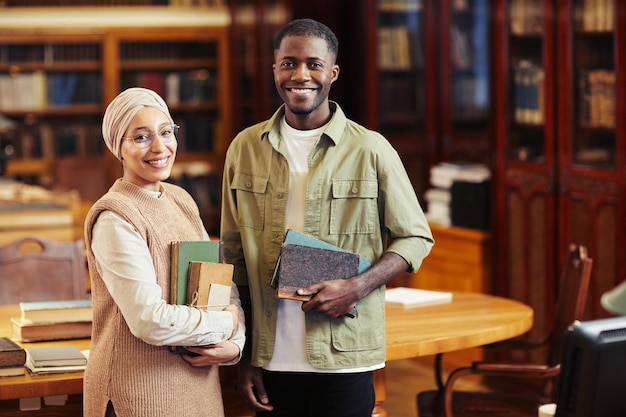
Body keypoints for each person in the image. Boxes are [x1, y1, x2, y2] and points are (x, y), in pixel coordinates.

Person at [220, 18, 434, 417]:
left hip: (345, 353)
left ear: (332, 73)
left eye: (313, 64)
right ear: (274, 70)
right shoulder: (244, 148)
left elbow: (416, 238)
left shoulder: (371, 149)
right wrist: (244, 351)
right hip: (270, 355)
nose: (300, 75)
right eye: (288, 63)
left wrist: (357, 286)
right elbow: (233, 257)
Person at [83, 87, 245, 417]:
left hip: (199, 388)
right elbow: (149, 320)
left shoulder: (182, 199)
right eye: (141, 137)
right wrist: (224, 324)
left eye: (166, 132)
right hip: (140, 394)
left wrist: (233, 345)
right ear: (119, 148)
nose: (159, 147)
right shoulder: (115, 216)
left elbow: (223, 287)